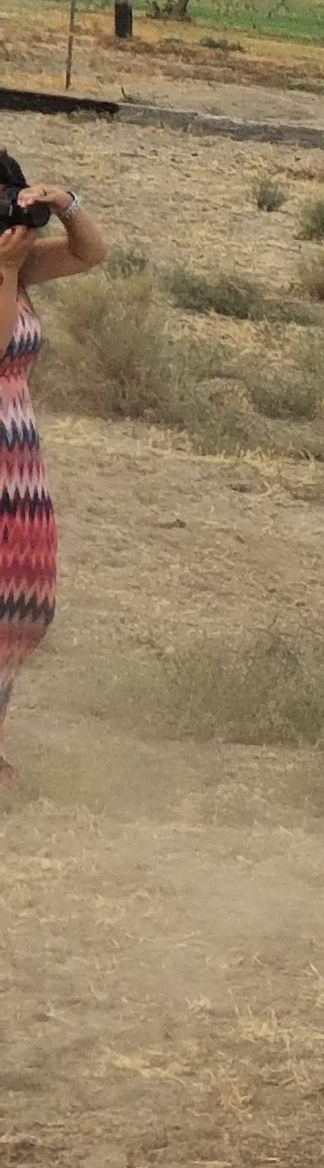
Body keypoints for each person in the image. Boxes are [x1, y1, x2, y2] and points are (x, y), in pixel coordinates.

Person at [0, 155, 106, 786]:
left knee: (21, 601)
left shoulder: (20, 268)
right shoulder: (11, 270)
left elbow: (91, 253)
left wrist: (66, 202)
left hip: (16, 455)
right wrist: (8, 269)